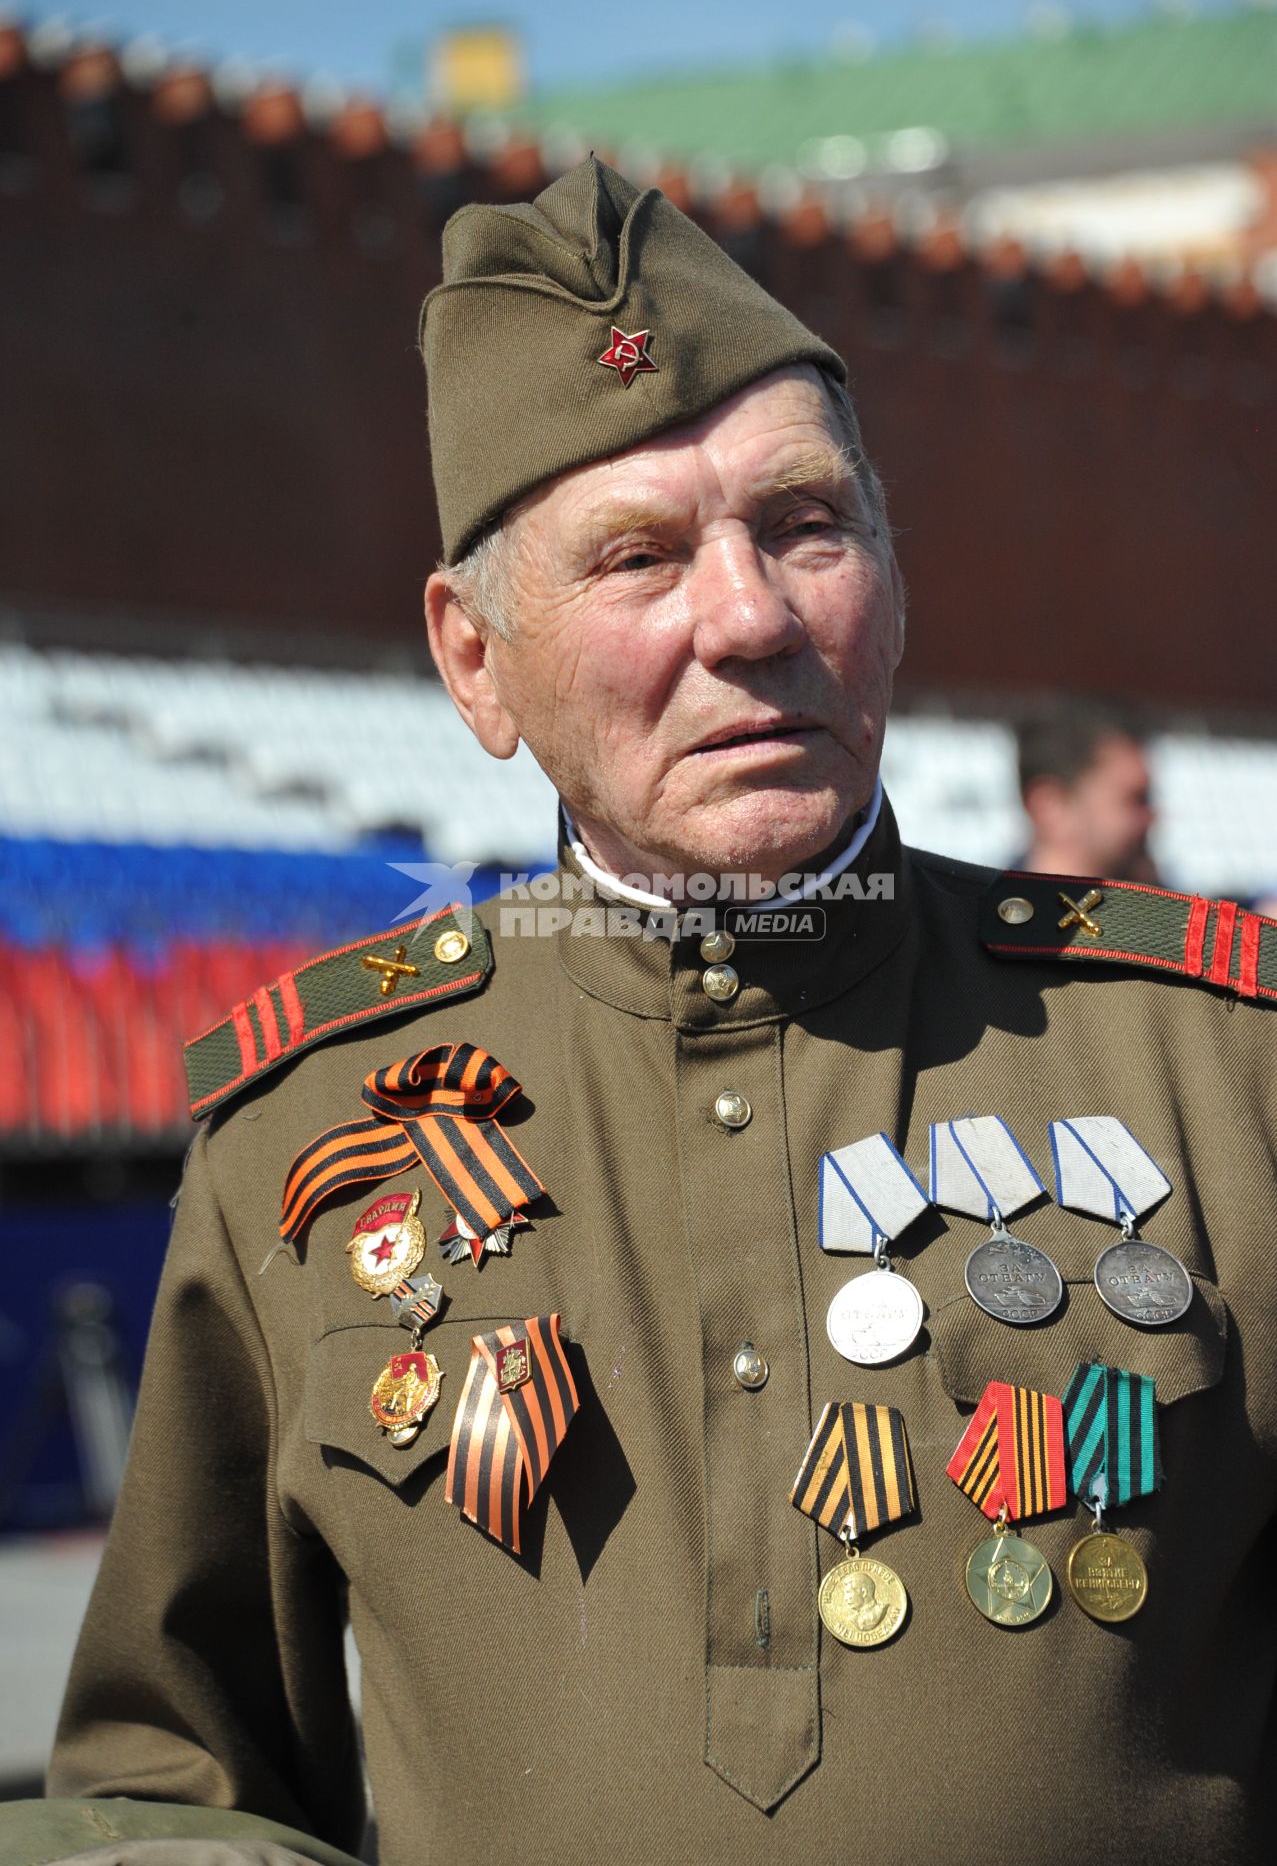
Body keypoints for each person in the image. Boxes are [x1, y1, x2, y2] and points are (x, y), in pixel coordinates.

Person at [13, 160, 1274, 1866]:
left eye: (805, 524)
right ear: (476, 661)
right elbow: (170, 1781)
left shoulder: (1213, 1062)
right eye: (638, 555)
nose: (748, 615)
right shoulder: (303, 1139)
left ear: (892, 582)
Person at [1015, 701, 1159, 882]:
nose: (1151, 818)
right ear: (1050, 807)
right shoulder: (987, 898)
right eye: (1134, 800)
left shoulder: (1175, 899)